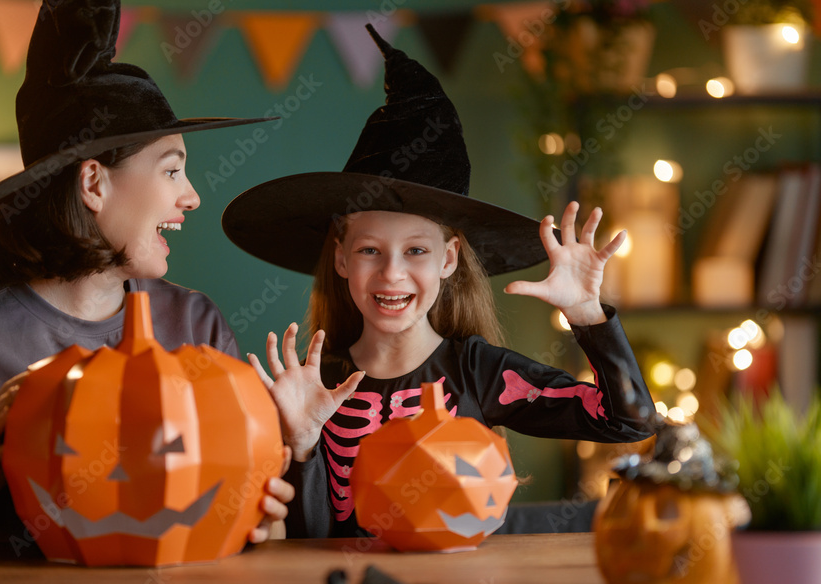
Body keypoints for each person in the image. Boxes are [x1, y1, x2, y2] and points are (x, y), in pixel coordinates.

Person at [221, 25, 656, 538]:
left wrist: (587, 315)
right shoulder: (313, 386)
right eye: (368, 250)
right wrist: (303, 442)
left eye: (416, 251)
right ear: (340, 259)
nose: (392, 273)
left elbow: (627, 421)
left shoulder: (479, 374)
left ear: (449, 259)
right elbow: (307, 543)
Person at [0, 0, 292, 555]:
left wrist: (268, 514)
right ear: (94, 185)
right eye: (172, 169)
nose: (192, 196)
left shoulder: (195, 324)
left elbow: (240, 532)